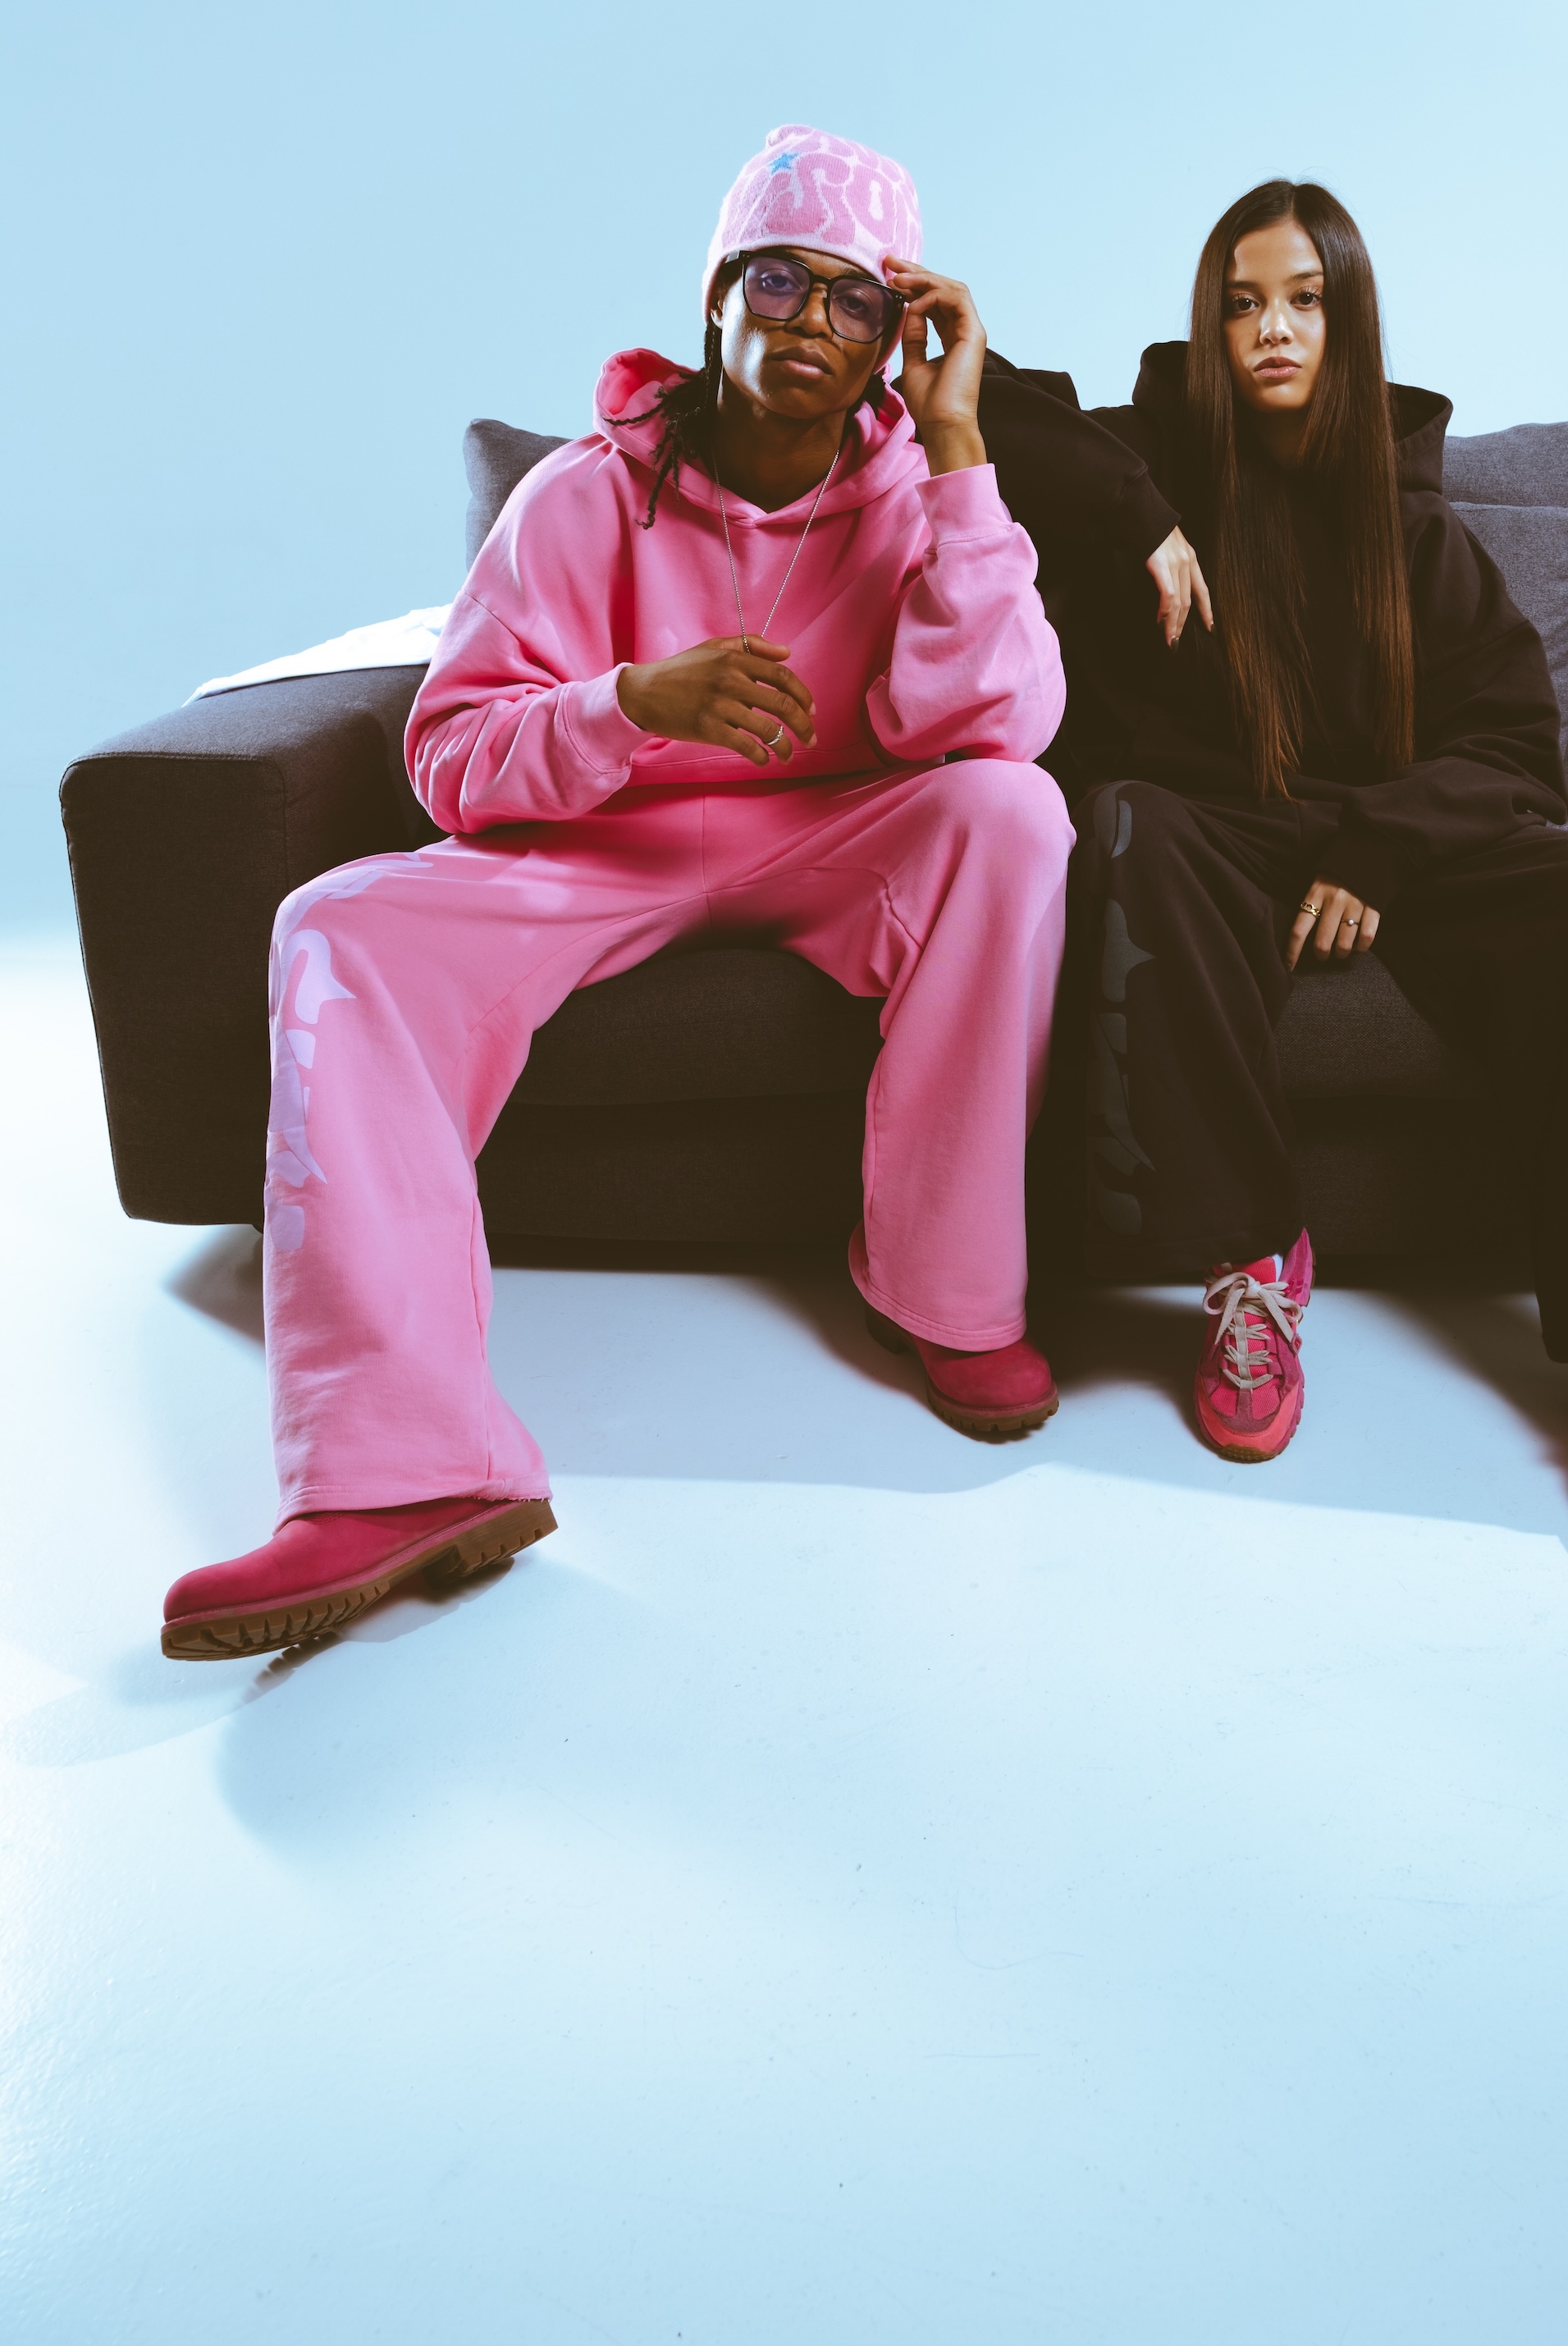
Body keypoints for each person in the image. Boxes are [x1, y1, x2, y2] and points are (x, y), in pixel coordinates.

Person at [161, 125, 1079, 1659]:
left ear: (892, 340)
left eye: (857, 300)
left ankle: (946, 1291)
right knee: (335, 926)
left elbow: (1000, 724)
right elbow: (448, 759)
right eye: (778, 281)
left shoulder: (924, 494)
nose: (812, 320)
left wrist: (962, 445)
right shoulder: (580, 500)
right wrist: (630, 704)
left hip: (831, 834)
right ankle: (403, 1471)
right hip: (605, 848)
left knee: (1013, 811)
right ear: (718, 296)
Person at [1004, 177, 1568, 1549]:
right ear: (1208, 326)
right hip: (1219, 828)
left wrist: (1381, 848)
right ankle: (1253, 1265)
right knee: (1125, 825)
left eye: (1305, 302)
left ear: (1347, 324)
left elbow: (1517, 747)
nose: (1272, 331)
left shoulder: (1416, 527)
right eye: (1242, 305)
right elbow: (986, 406)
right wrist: (1142, 516)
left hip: (1393, 833)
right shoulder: (1145, 457)